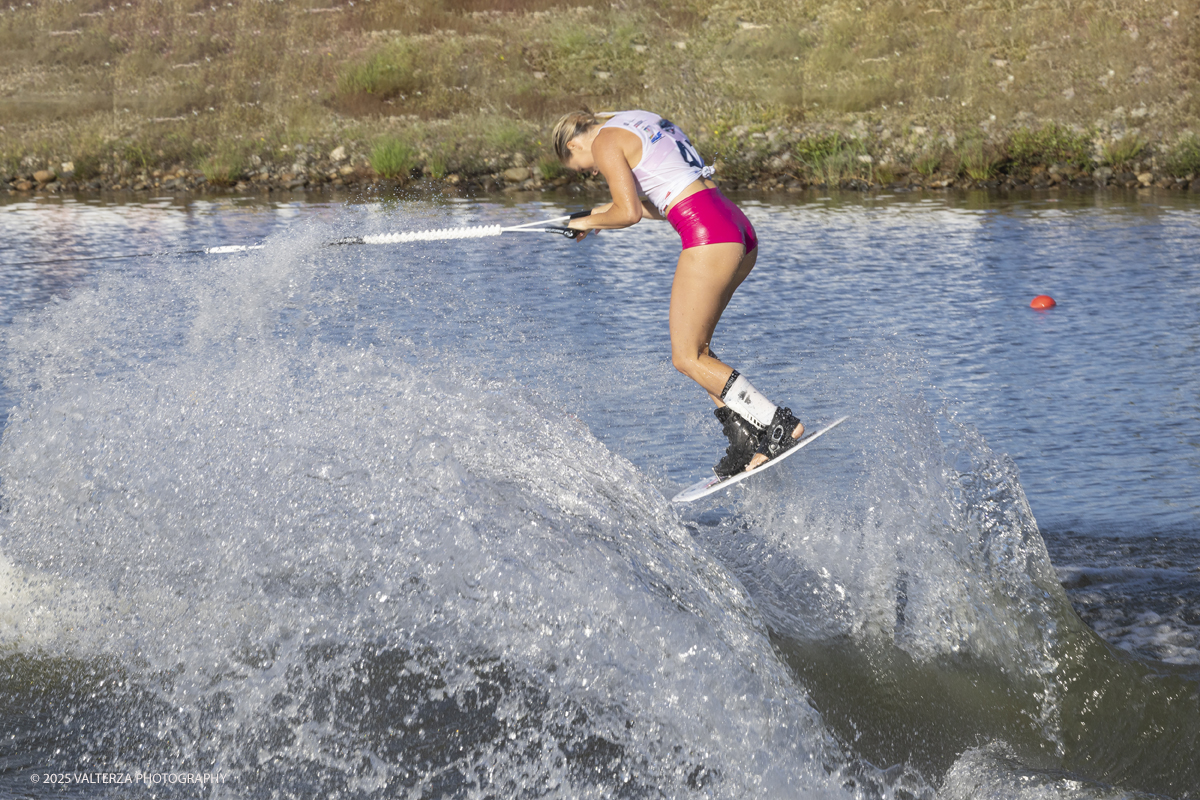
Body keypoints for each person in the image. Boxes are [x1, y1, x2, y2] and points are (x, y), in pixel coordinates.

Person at [552, 109, 805, 476]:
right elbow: (663, 200)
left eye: (579, 166)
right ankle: (743, 438)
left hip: (709, 234)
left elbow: (629, 213)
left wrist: (588, 222)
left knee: (686, 357)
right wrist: (592, 215)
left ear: (574, 143)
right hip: (734, 224)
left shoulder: (605, 141)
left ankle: (778, 426)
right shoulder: (637, 118)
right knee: (699, 350)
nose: (590, 172)